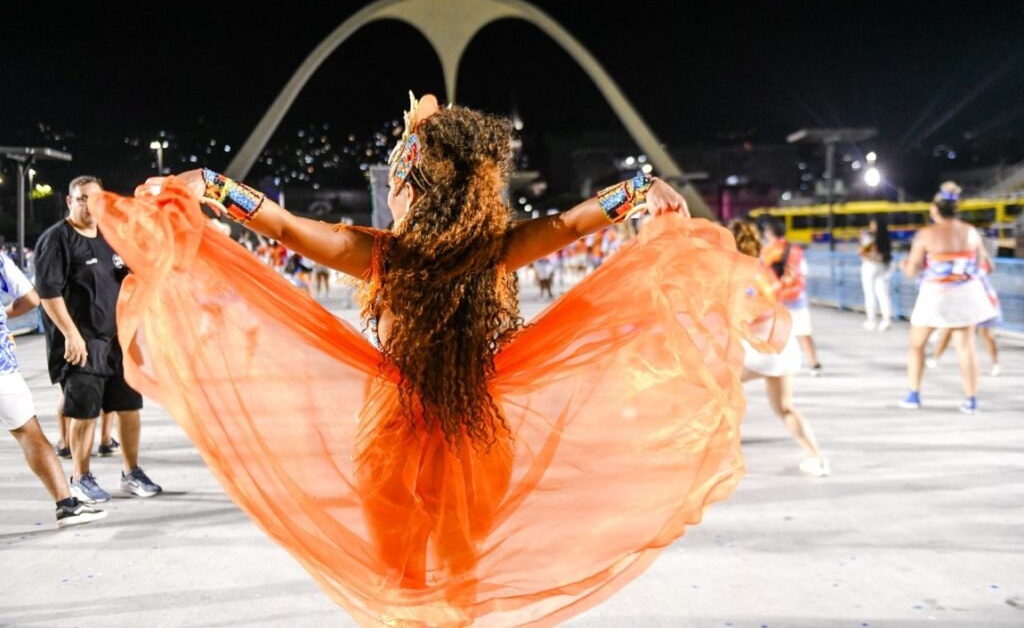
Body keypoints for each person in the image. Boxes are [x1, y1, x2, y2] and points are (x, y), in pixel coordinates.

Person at [91, 93, 786, 626]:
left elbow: (281, 224)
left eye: (398, 177)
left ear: (414, 187)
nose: (391, 191)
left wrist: (210, 183)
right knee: (460, 572)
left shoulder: (381, 254)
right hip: (474, 431)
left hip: (398, 431)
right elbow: (572, 222)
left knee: (402, 578)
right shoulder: (492, 251)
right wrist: (638, 190)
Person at [34, 176, 162, 504]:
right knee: (85, 413)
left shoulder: (109, 237)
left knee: (129, 407)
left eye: (94, 199)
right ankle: (81, 477)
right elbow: (48, 293)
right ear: (70, 201)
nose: (89, 206)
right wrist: (71, 335)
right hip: (82, 343)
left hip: (116, 342)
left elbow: (128, 277)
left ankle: (131, 472)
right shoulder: (57, 239)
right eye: (82, 199)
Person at [0, 252, 107, 527]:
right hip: (2, 370)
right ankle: (66, 505)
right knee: (29, 434)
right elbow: (31, 298)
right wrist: (4, 314)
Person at [730, 220, 830, 477]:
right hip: (784, 345)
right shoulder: (764, 272)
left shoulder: (731, 277)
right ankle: (817, 458)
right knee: (785, 407)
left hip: (757, 350)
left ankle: (722, 450)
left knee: (715, 389)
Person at [900, 181, 997, 414]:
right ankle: (971, 400)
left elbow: (912, 269)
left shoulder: (926, 234)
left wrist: (905, 265)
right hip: (966, 294)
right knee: (965, 347)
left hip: (935, 295)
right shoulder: (971, 232)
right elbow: (985, 265)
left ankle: (914, 395)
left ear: (935, 210)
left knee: (917, 344)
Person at [760, 216, 823, 375]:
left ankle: (781, 365)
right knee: (804, 331)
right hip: (796, 296)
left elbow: (762, 274)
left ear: (769, 233)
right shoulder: (795, 250)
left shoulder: (767, 252)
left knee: (778, 334)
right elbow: (803, 271)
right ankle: (814, 365)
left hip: (776, 296)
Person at [926, 253, 1002, 376]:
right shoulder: (963, 258)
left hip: (981, 297)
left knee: (984, 333)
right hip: (967, 298)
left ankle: (995, 364)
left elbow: (988, 269)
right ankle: (935, 358)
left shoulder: (971, 258)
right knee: (950, 330)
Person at [859, 215, 893, 331]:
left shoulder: (869, 236)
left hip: (870, 266)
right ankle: (886, 320)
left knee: (870, 294)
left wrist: (861, 240)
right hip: (883, 266)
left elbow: (865, 253)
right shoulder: (886, 237)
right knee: (883, 294)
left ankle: (871, 320)